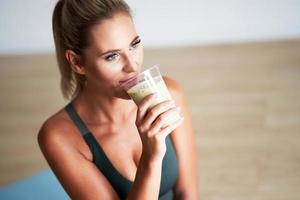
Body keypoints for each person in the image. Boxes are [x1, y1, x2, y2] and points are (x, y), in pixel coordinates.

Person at [37, 0, 198, 199]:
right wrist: (152, 157)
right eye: (112, 56)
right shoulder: (58, 136)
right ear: (77, 63)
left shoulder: (169, 93)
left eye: (134, 45)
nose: (132, 66)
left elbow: (187, 193)